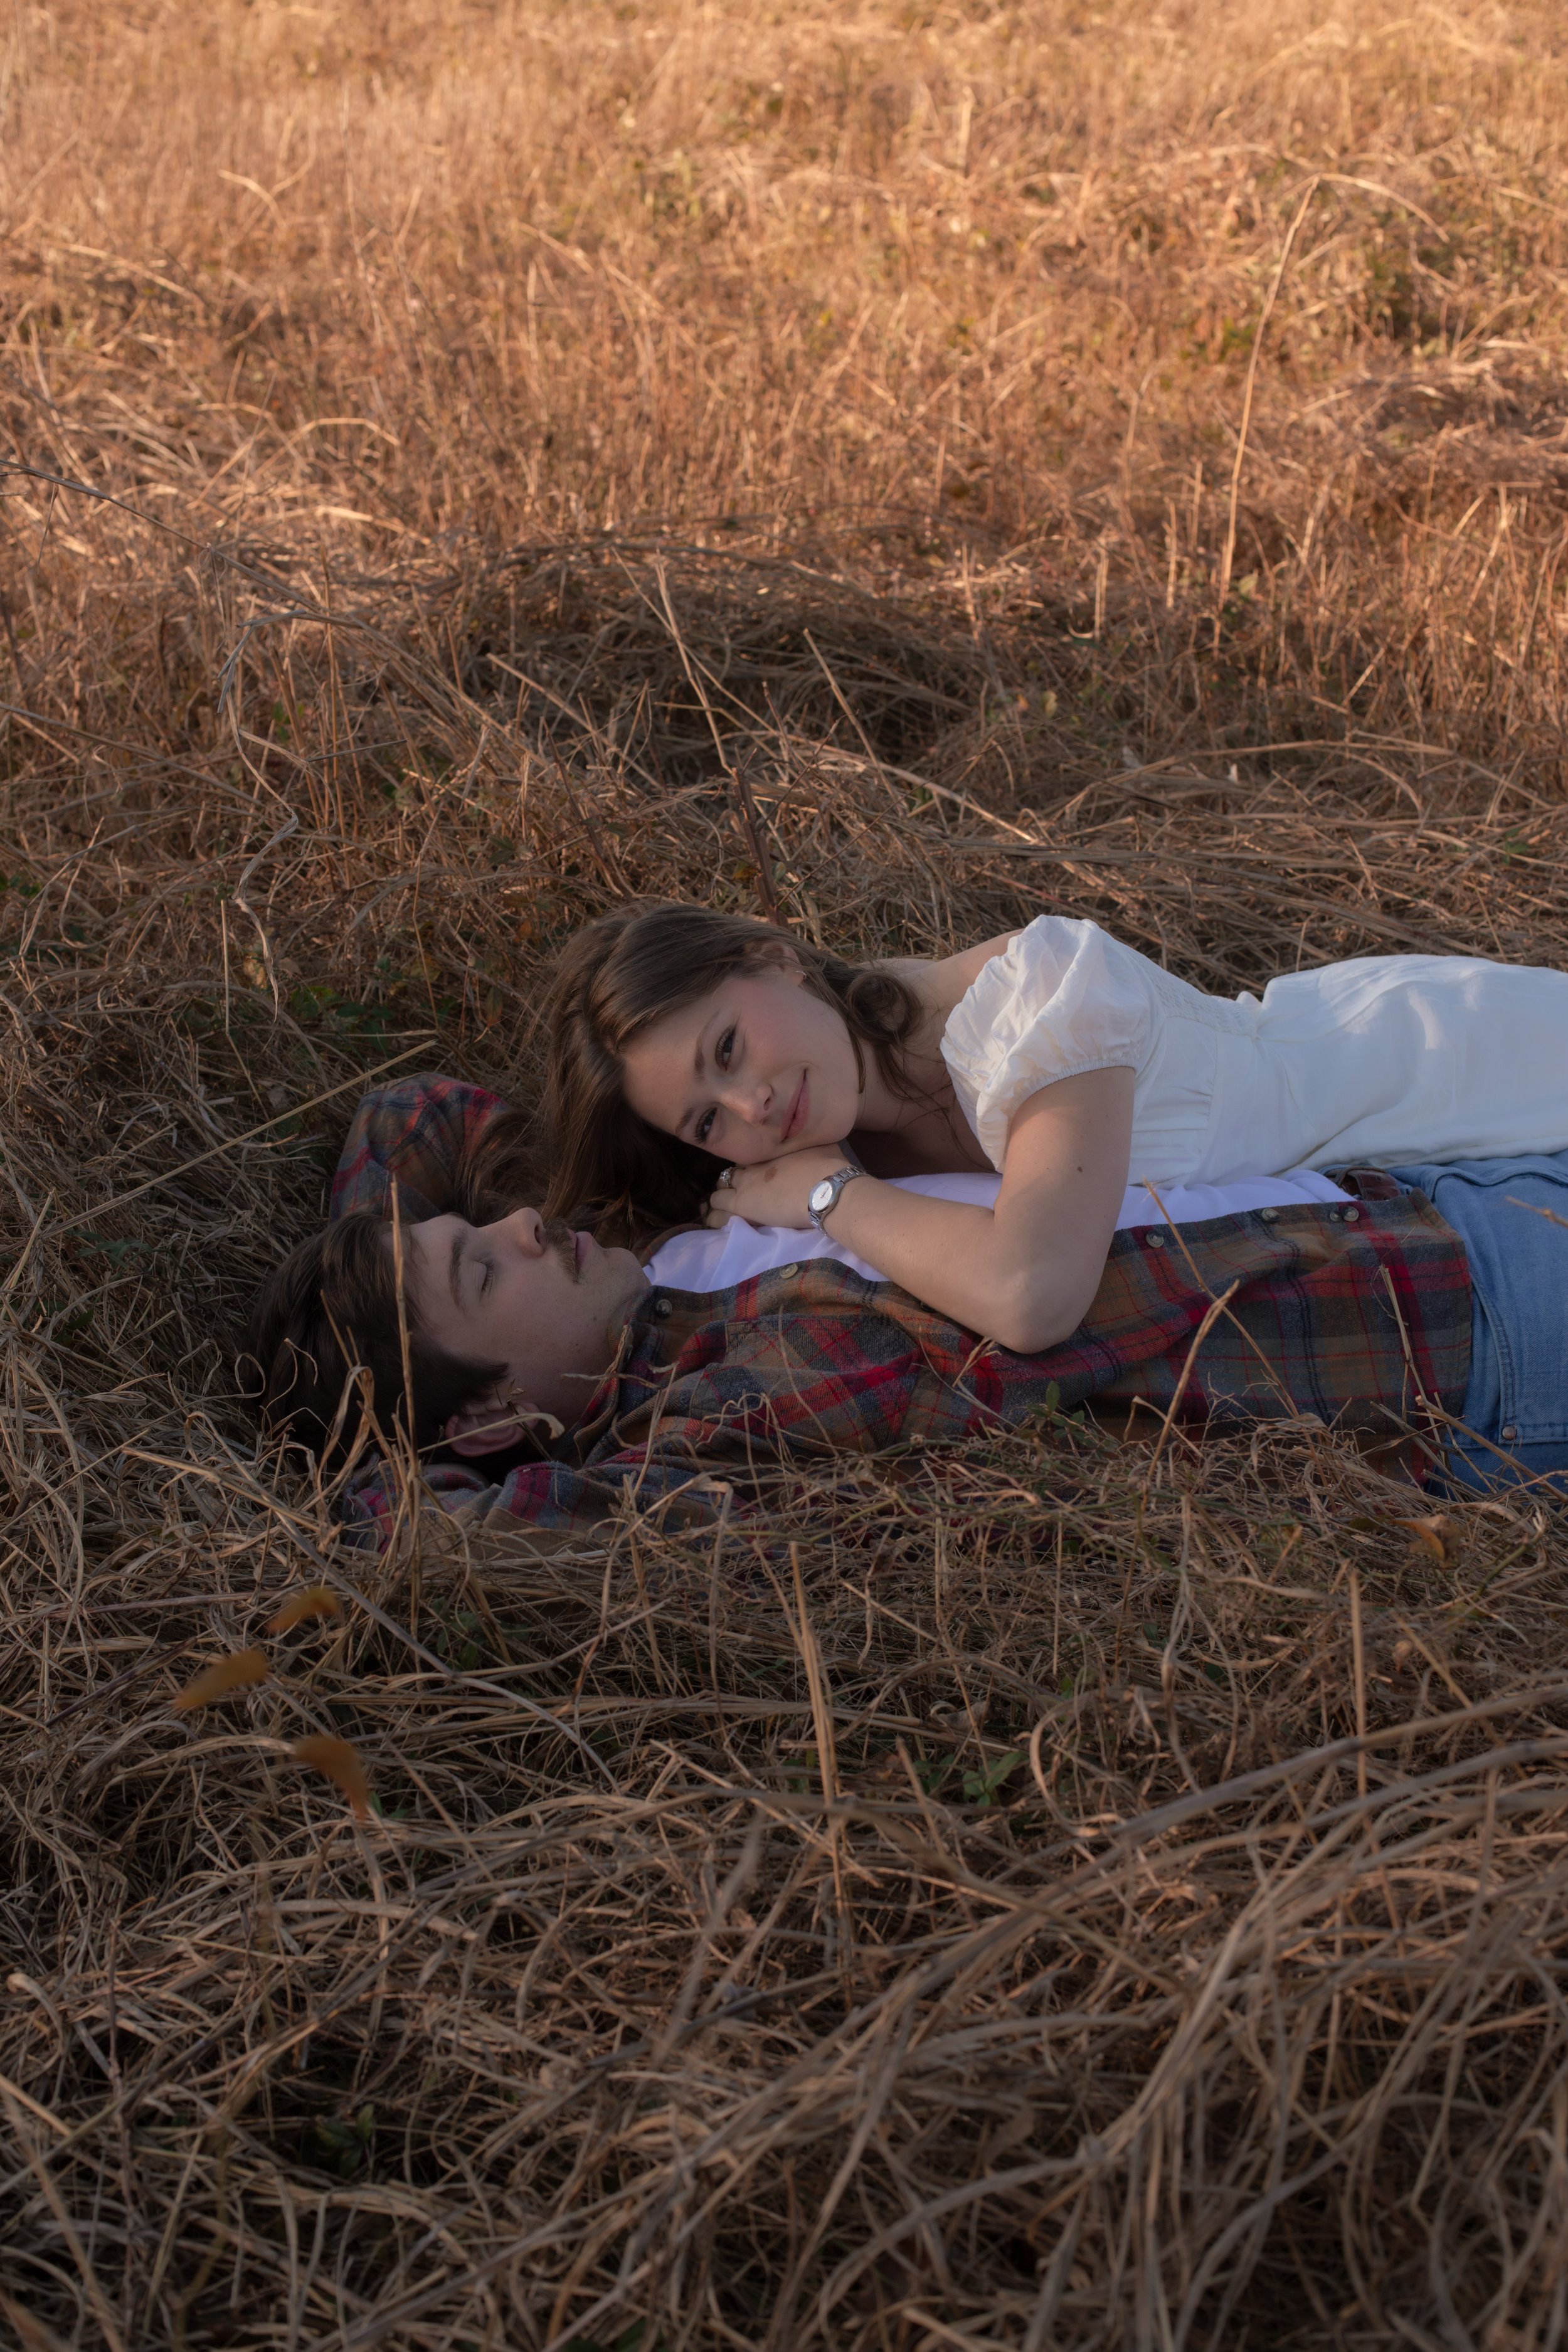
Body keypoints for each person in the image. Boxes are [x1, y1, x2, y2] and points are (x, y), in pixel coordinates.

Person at [241, 1074, 1568, 1549]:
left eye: (479, 1229)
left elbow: (414, 1112)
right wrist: (383, 1438)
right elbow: (391, 1528)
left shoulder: (666, 1240)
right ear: (490, 1421)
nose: (522, 1224)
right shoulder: (711, 1423)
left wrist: (386, 1273)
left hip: (1416, 1174)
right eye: (483, 1271)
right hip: (1467, 1321)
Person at [540, 903, 1568, 1356]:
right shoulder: (838, 1135)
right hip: (1418, 1205)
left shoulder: (1037, 994)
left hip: (1443, 1076)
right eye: (707, 1118)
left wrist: (828, 1200)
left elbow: (1032, 1296)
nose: (753, 1107)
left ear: (771, 955)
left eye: (728, 1048)